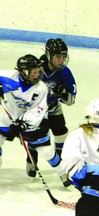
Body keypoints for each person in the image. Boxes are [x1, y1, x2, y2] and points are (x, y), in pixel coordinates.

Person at [0, 54, 70, 187]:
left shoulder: (40, 88)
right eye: (34, 72)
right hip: (11, 117)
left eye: (38, 71)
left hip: (33, 121)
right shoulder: (8, 77)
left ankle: (62, 173)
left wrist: (24, 123)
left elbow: (37, 111)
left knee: (46, 151)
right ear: (24, 72)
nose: (38, 74)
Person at [26, 38, 77, 180]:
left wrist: (63, 94)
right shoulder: (36, 67)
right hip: (35, 109)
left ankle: (60, 161)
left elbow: (71, 100)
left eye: (63, 57)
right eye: (58, 57)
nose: (61, 60)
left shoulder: (65, 73)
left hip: (53, 108)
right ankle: (31, 160)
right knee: (34, 134)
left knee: (61, 132)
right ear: (49, 55)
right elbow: (24, 86)